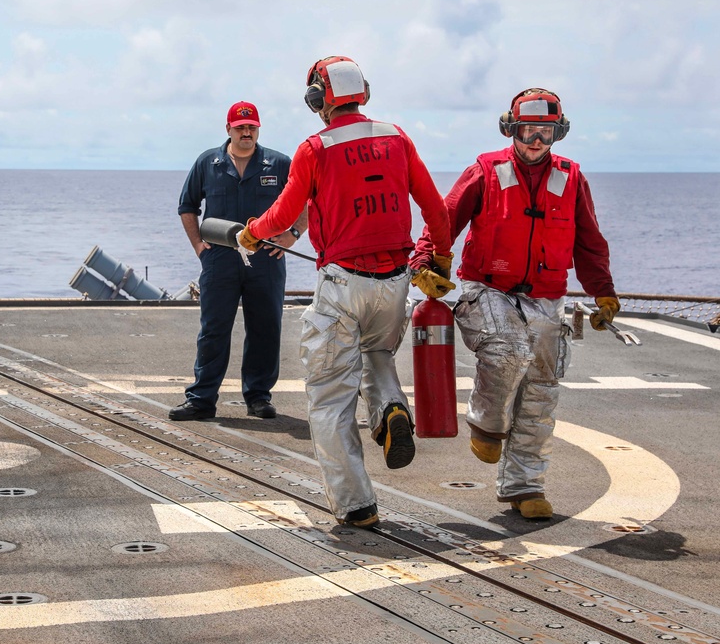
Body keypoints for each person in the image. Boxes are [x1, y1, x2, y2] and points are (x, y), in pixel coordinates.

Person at [238, 57, 453, 528]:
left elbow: (282, 214)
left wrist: (252, 233)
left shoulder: (315, 148)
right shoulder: (397, 138)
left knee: (331, 396)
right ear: (365, 93)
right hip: (395, 282)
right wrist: (439, 260)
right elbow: (437, 212)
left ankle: (357, 506)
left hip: (342, 283)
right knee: (378, 353)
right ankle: (391, 407)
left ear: (319, 100)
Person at [411, 87, 619, 521]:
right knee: (507, 350)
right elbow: (445, 219)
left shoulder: (572, 178)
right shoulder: (486, 170)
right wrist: (425, 263)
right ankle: (487, 423)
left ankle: (525, 485)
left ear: (557, 133)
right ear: (512, 128)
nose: (536, 141)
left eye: (545, 132)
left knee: (541, 392)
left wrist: (603, 291)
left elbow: (589, 241)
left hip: (546, 297)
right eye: (528, 130)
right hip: (487, 289)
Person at [171, 101, 306, 422]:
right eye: (240, 127)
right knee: (213, 329)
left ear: (258, 129)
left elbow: (307, 200)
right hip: (219, 260)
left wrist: (294, 235)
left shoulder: (279, 163)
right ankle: (201, 399)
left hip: (266, 260)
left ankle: (258, 397)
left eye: (252, 128)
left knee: (265, 328)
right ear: (228, 129)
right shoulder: (208, 163)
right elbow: (187, 206)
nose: (247, 133)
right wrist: (199, 249)